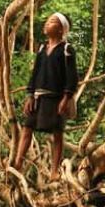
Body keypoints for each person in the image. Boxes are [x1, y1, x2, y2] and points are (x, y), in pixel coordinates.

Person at [13, 12, 78, 182]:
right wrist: (30, 95)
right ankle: (18, 163)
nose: (48, 23)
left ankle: (54, 171)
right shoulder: (42, 49)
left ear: (61, 29)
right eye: (48, 20)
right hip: (38, 97)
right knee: (27, 128)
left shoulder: (66, 50)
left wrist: (66, 98)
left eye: (53, 21)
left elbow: (72, 77)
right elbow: (35, 73)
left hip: (56, 98)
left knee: (58, 133)